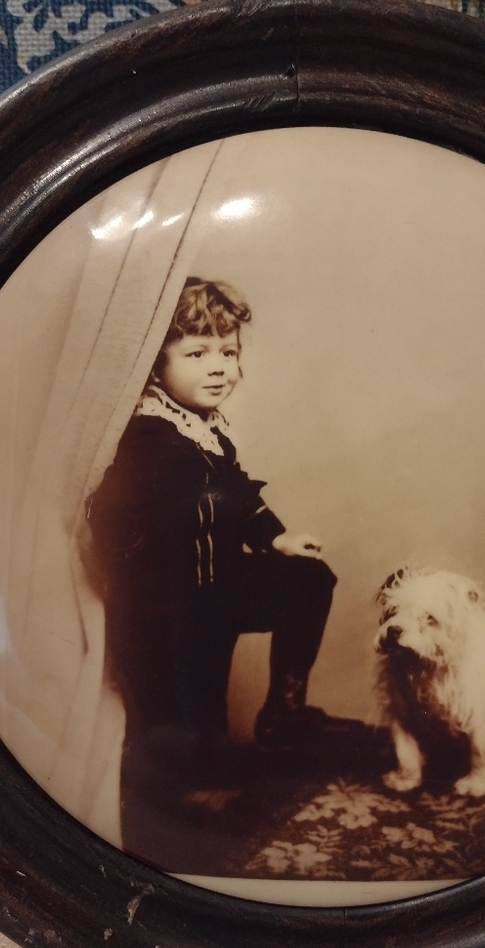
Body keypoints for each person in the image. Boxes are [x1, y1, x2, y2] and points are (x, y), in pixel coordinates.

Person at [86, 278, 354, 846]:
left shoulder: (206, 432)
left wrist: (275, 540)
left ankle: (284, 713)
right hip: (167, 608)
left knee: (309, 578)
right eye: (197, 352)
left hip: (217, 587)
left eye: (228, 352)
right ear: (157, 365)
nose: (219, 368)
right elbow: (110, 520)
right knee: (184, 710)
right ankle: (183, 794)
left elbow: (237, 493)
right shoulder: (147, 437)